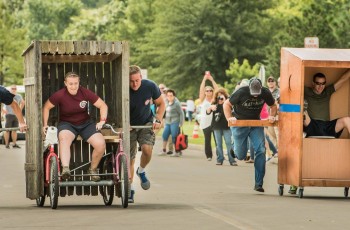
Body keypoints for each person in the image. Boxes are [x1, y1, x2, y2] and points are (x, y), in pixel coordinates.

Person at [289, 70, 350, 194]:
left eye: (323, 83)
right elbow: (291, 87)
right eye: (318, 83)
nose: (320, 86)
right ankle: (293, 183)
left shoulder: (328, 91)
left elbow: (343, 79)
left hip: (327, 126)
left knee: (347, 120)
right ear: (312, 83)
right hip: (312, 124)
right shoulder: (306, 90)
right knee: (303, 112)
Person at [42, 72, 108, 182]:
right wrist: (45, 124)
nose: (73, 86)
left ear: (79, 83)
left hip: (85, 123)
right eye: (71, 84)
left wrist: (102, 121)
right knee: (63, 138)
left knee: (100, 144)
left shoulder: (84, 92)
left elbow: (103, 105)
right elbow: (46, 107)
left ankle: (92, 169)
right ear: (65, 83)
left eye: (76, 83)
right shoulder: (60, 94)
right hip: (67, 124)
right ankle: (66, 169)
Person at [223, 78, 277, 192]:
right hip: (239, 123)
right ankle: (234, 148)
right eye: (253, 94)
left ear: (261, 89)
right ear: (249, 88)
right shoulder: (242, 91)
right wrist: (229, 118)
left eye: (258, 94)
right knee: (241, 156)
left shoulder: (266, 92)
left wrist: (272, 116)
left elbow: (273, 106)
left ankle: (258, 183)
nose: (256, 96)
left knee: (261, 150)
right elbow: (226, 104)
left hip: (255, 123)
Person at [129, 65, 165, 203]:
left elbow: (161, 104)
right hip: (129, 126)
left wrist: (158, 119)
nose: (134, 84)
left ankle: (142, 171)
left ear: (141, 78)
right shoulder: (124, 88)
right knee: (130, 159)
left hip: (145, 123)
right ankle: (130, 189)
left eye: (137, 80)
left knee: (147, 150)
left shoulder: (150, 86)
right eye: (131, 81)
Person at [206, 88, 237, 166]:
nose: (220, 98)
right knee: (218, 144)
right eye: (218, 96)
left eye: (221, 96)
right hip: (216, 127)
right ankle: (220, 159)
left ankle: (232, 160)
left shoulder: (228, 104)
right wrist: (210, 108)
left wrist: (224, 102)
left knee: (229, 143)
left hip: (227, 126)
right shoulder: (214, 104)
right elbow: (207, 112)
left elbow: (233, 112)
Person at [199, 71, 218, 161]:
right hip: (205, 123)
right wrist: (204, 79)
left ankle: (219, 154)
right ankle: (209, 155)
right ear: (205, 92)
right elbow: (201, 89)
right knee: (207, 140)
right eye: (207, 90)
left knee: (217, 139)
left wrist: (212, 80)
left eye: (210, 90)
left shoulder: (214, 99)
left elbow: (218, 89)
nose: (209, 92)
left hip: (214, 122)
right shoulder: (202, 99)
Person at [160, 89, 184, 157]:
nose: (169, 97)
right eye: (168, 96)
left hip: (175, 122)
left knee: (174, 136)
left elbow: (181, 113)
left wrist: (181, 123)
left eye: (171, 96)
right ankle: (164, 150)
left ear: (174, 96)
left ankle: (176, 152)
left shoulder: (176, 103)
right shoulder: (166, 102)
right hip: (167, 122)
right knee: (164, 135)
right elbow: (164, 111)